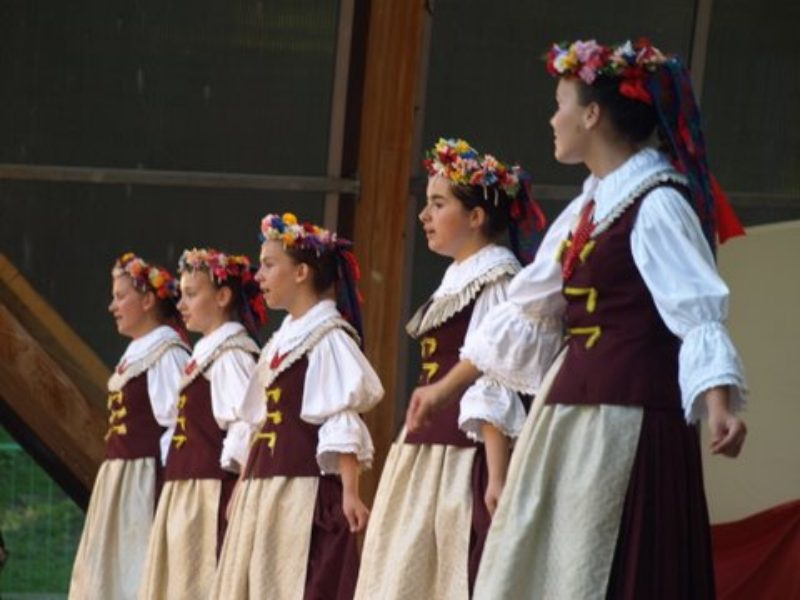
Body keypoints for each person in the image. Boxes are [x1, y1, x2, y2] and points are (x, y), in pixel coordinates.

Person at [407, 39, 748, 598]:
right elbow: (528, 309)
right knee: (559, 563)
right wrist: (444, 389)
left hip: (630, 417)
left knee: (615, 563)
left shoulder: (657, 202)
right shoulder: (588, 209)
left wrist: (718, 405)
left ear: (591, 115)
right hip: (572, 413)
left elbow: (696, 310)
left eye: (560, 104)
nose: (553, 119)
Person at [355, 139, 545, 600]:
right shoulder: (460, 278)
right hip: (427, 453)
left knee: (453, 573)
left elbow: (495, 377)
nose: (424, 216)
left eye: (438, 204)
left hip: (464, 458)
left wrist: (496, 476)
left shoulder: (497, 281)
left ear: (476, 216)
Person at [210, 213, 383, 599]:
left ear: (302, 272)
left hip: (301, 492)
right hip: (262, 488)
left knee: (297, 583)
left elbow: (340, 415)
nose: (259, 276)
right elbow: (260, 423)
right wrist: (241, 486)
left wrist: (350, 492)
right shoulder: (281, 341)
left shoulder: (328, 337)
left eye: (269, 265)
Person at [139, 248, 266, 600]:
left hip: (211, 494)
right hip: (188, 489)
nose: (181, 304)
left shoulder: (231, 355)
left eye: (192, 294)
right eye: (181, 295)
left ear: (222, 297)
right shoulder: (207, 352)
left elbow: (247, 424)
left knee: (203, 583)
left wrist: (238, 489)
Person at [69, 253, 189, 600]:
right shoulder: (139, 351)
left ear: (148, 300)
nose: (112, 307)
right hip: (120, 481)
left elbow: (178, 427)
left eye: (121, 297)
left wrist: (166, 489)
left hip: (143, 484)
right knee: (108, 574)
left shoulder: (167, 354)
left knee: (136, 572)